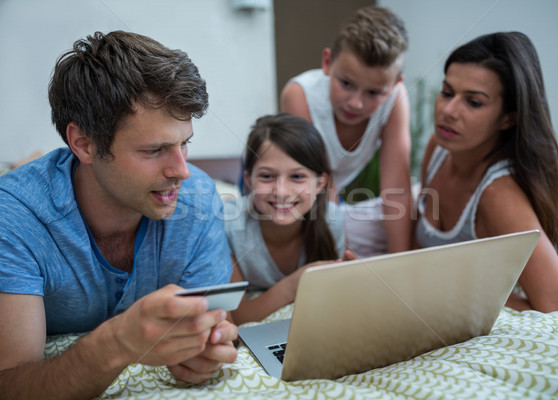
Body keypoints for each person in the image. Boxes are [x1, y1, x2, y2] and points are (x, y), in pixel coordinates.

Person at [0, 31, 238, 399]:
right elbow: (10, 384)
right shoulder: (15, 216)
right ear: (84, 144)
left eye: (184, 144)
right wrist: (116, 343)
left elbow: (214, 329)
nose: (182, 171)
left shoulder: (200, 199)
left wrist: (207, 351)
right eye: (155, 149)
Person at [415, 32, 558, 312]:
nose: (448, 111)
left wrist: (447, 288)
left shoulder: (498, 194)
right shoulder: (440, 147)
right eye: (447, 92)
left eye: (473, 102)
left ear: (508, 118)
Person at [280, 5, 413, 257]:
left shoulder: (396, 99)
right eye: (346, 84)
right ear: (327, 62)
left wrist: (401, 264)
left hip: (330, 199)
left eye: (374, 93)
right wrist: (341, 255)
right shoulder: (299, 94)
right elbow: (319, 182)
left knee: (415, 203)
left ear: (395, 84)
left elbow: (397, 188)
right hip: (296, 187)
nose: (356, 103)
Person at [225, 113, 354, 324]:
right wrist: (297, 283)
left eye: (297, 176)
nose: (282, 192)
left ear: (320, 183)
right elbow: (239, 316)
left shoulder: (332, 221)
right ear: (248, 180)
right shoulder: (227, 227)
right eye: (267, 176)